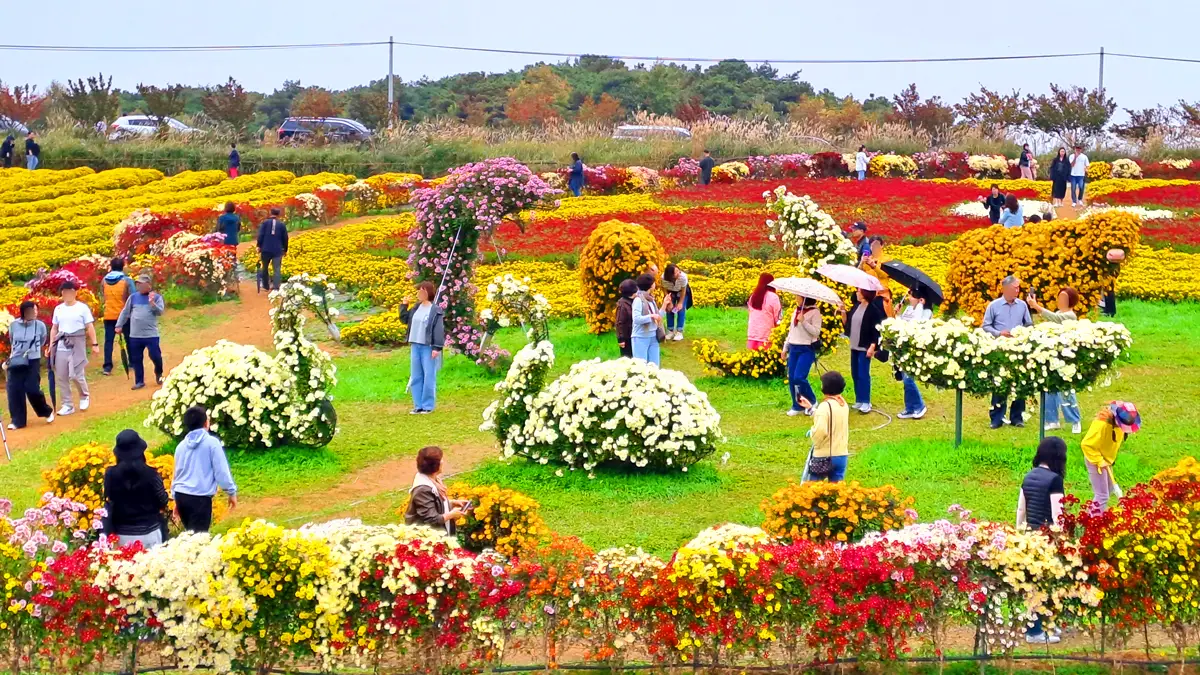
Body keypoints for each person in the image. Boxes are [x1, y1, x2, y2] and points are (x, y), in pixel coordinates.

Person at [1015, 437, 1067, 645]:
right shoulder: (1055, 480)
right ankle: (1036, 631)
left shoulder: (1029, 476)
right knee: (1045, 585)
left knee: (1033, 584)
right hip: (1046, 538)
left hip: (1029, 537)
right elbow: (1058, 513)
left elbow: (1021, 510)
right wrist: (1062, 539)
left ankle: (1042, 626)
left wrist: (1019, 534)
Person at [171, 406, 238, 533]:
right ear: (206, 423)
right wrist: (231, 492)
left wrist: (176, 498)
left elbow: (177, 474)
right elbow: (221, 472)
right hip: (199, 498)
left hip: (181, 496)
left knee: (191, 536)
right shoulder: (212, 443)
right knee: (199, 540)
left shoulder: (181, 446)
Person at [102, 429, 169, 550]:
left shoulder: (110, 474)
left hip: (121, 536)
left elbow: (109, 497)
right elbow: (163, 500)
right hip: (150, 533)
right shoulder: (152, 474)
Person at [1028, 287, 1082, 433]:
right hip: (1052, 357)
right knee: (1049, 388)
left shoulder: (1070, 316)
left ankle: (1075, 420)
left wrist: (1036, 306)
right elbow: (1052, 318)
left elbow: (1055, 319)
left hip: (1065, 359)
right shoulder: (1058, 313)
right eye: (1060, 298)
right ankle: (1052, 420)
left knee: (1066, 391)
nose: (1061, 301)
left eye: (1064, 298)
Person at [982, 276, 1033, 429]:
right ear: (1005, 289)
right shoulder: (994, 306)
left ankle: (1017, 417)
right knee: (1000, 384)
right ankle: (996, 418)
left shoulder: (1022, 305)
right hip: (1000, 351)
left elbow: (1029, 323)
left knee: (1020, 384)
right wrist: (999, 334)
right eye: (1014, 288)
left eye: (1018, 288)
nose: (1017, 291)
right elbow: (985, 326)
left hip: (1019, 350)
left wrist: (1024, 333)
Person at [48, 281, 99, 417]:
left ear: (75, 293)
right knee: (62, 376)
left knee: (77, 373)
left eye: (70, 291)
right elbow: (54, 328)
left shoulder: (82, 308)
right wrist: (51, 345)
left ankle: (84, 396)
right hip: (61, 343)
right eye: (65, 292)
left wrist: (95, 344)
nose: (67, 295)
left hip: (77, 342)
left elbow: (89, 326)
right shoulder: (58, 309)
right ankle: (67, 404)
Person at [1080, 401, 1140, 513]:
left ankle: (1092, 516)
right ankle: (1093, 523)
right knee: (1102, 495)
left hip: (1107, 460)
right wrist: (1099, 461)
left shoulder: (1121, 422)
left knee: (1109, 489)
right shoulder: (1101, 424)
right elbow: (1087, 444)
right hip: (1096, 460)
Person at [5, 301, 54, 429]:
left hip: (32, 360)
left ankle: (46, 411)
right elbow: (12, 340)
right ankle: (17, 421)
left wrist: (32, 351)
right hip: (16, 360)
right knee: (14, 390)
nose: (34, 313)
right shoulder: (14, 325)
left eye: (36, 310)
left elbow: (43, 339)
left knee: (32, 388)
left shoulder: (40, 325)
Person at [399, 281, 445, 414]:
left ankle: (427, 405)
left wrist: (436, 348)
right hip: (415, 345)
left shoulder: (435, 310)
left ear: (428, 293)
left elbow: (438, 329)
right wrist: (404, 305)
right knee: (416, 376)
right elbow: (404, 319)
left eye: (422, 291)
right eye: (419, 291)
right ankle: (418, 405)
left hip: (428, 347)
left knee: (429, 376)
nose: (419, 293)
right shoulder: (416, 307)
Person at [404, 446, 471, 536]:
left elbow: (433, 504)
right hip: (427, 540)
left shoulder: (432, 480)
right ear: (435, 466)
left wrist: (452, 503)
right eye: (441, 460)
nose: (443, 461)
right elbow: (431, 519)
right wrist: (452, 514)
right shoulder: (423, 490)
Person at [115, 273, 166, 390]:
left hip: (151, 335)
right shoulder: (133, 297)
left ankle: (159, 372)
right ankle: (139, 381)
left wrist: (152, 303)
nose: (139, 286)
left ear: (149, 285)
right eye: (138, 284)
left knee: (156, 356)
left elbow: (160, 312)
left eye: (142, 284)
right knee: (136, 359)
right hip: (135, 335)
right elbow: (125, 312)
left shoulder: (156, 297)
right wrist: (119, 325)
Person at [798, 371, 850, 482]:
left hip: (824, 456)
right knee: (837, 494)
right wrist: (811, 408)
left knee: (813, 492)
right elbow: (831, 417)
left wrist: (812, 433)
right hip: (841, 455)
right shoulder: (843, 404)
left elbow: (820, 431)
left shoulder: (824, 406)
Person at [843, 289, 887, 414]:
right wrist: (842, 312)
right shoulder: (856, 306)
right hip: (854, 346)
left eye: (859, 291)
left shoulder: (873, 310)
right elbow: (848, 325)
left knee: (863, 374)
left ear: (865, 293)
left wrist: (873, 346)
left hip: (865, 347)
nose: (856, 293)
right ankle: (859, 399)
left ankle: (866, 401)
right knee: (855, 373)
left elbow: (876, 330)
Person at [896, 289, 931, 420]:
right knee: (906, 379)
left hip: (916, 348)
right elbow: (902, 324)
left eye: (912, 296)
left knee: (908, 378)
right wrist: (898, 314)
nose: (909, 298)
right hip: (904, 346)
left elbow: (917, 324)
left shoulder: (926, 312)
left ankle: (919, 406)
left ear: (920, 299)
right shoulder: (909, 309)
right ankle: (910, 407)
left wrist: (921, 306)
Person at [784, 298, 822, 416]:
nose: (796, 299)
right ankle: (797, 405)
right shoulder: (797, 310)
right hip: (794, 347)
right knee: (792, 377)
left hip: (806, 348)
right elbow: (791, 331)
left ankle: (812, 400)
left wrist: (804, 321)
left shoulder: (815, 312)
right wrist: (785, 347)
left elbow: (816, 332)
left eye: (798, 297)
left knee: (799, 377)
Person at [101, 258, 134, 377]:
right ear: (123, 266)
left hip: (109, 315)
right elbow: (133, 297)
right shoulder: (127, 280)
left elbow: (103, 296)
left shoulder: (104, 280)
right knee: (129, 339)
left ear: (111, 266)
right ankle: (132, 363)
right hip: (124, 315)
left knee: (108, 341)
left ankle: (107, 366)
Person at [631, 273, 663, 366]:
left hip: (653, 336)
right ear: (650, 285)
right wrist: (651, 316)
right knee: (641, 367)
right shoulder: (638, 300)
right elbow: (636, 319)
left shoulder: (651, 299)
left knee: (654, 366)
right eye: (654, 283)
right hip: (640, 337)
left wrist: (664, 305)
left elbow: (658, 316)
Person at [859, 236, 895, 315]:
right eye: (872, 245)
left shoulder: (887, 259)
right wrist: (861, 262)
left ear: (881, 246)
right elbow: (859, 273)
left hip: (882, 294)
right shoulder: (867, 259)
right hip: (869, 294)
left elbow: (886, 275)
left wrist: (874, 267)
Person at [746, 272, 782, 350]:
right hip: (766, 336)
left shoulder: (753, 296)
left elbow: (750, 313)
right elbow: (778, 318)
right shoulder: (773, 297)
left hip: (752, 334)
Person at [256, 207, 288, 290]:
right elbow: (285, 238)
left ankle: (266, 286)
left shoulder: (265, 223)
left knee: (265, 267)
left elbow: (261, 235)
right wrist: (285, 249)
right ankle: (276, 287)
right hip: (277, 250)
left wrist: (259, 245)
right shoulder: (281, 225)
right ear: (278, 214)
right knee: (277, 269)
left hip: (265, 249)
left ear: (270, 213)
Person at [660, 264, 690, 341]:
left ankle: (679, 332)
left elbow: (683, 291)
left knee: (680, 309)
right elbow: (665, 290)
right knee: (669, 310)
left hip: (681, 292)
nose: (679, 273)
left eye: (678, 270)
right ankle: (670, 331)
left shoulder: (683, 277)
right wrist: (669, 302)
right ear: (671, 275)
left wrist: (680, 303)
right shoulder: (664, 278)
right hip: (670, 292)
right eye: (676, 272)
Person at [615, 278, 637, 358]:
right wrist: (621, 339)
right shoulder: (622, 305)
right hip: (627, 337)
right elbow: (619, 322)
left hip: (635, 335)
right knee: (627, 359)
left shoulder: (635, 300)